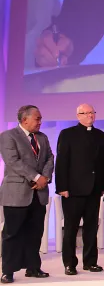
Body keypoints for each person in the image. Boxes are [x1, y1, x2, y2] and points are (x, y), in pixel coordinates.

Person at [0, 105, 53, 283]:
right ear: (25, 120)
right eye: (37, 118)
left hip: (39, 194)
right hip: (16, 194)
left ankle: (33, 268)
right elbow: (12, 161)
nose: (40, 122)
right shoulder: (8, 136)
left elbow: (50, 158)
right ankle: (8, 271)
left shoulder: (43, 137)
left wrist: (44, 177)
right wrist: (36, 177)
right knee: (12, 233)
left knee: (35, 232)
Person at [55, 104, 104, 275]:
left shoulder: (101, 135)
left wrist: (103, 186)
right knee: (71, 228)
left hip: (94, 190)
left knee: (91, 227)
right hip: (73, 190)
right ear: (78, 116)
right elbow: (62, 162)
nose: (90, 116)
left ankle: (90, 261)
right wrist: (62, 187)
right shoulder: (68, 134)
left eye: (92, 112)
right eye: (86, 113)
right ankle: (69, 263)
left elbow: (103, 163)